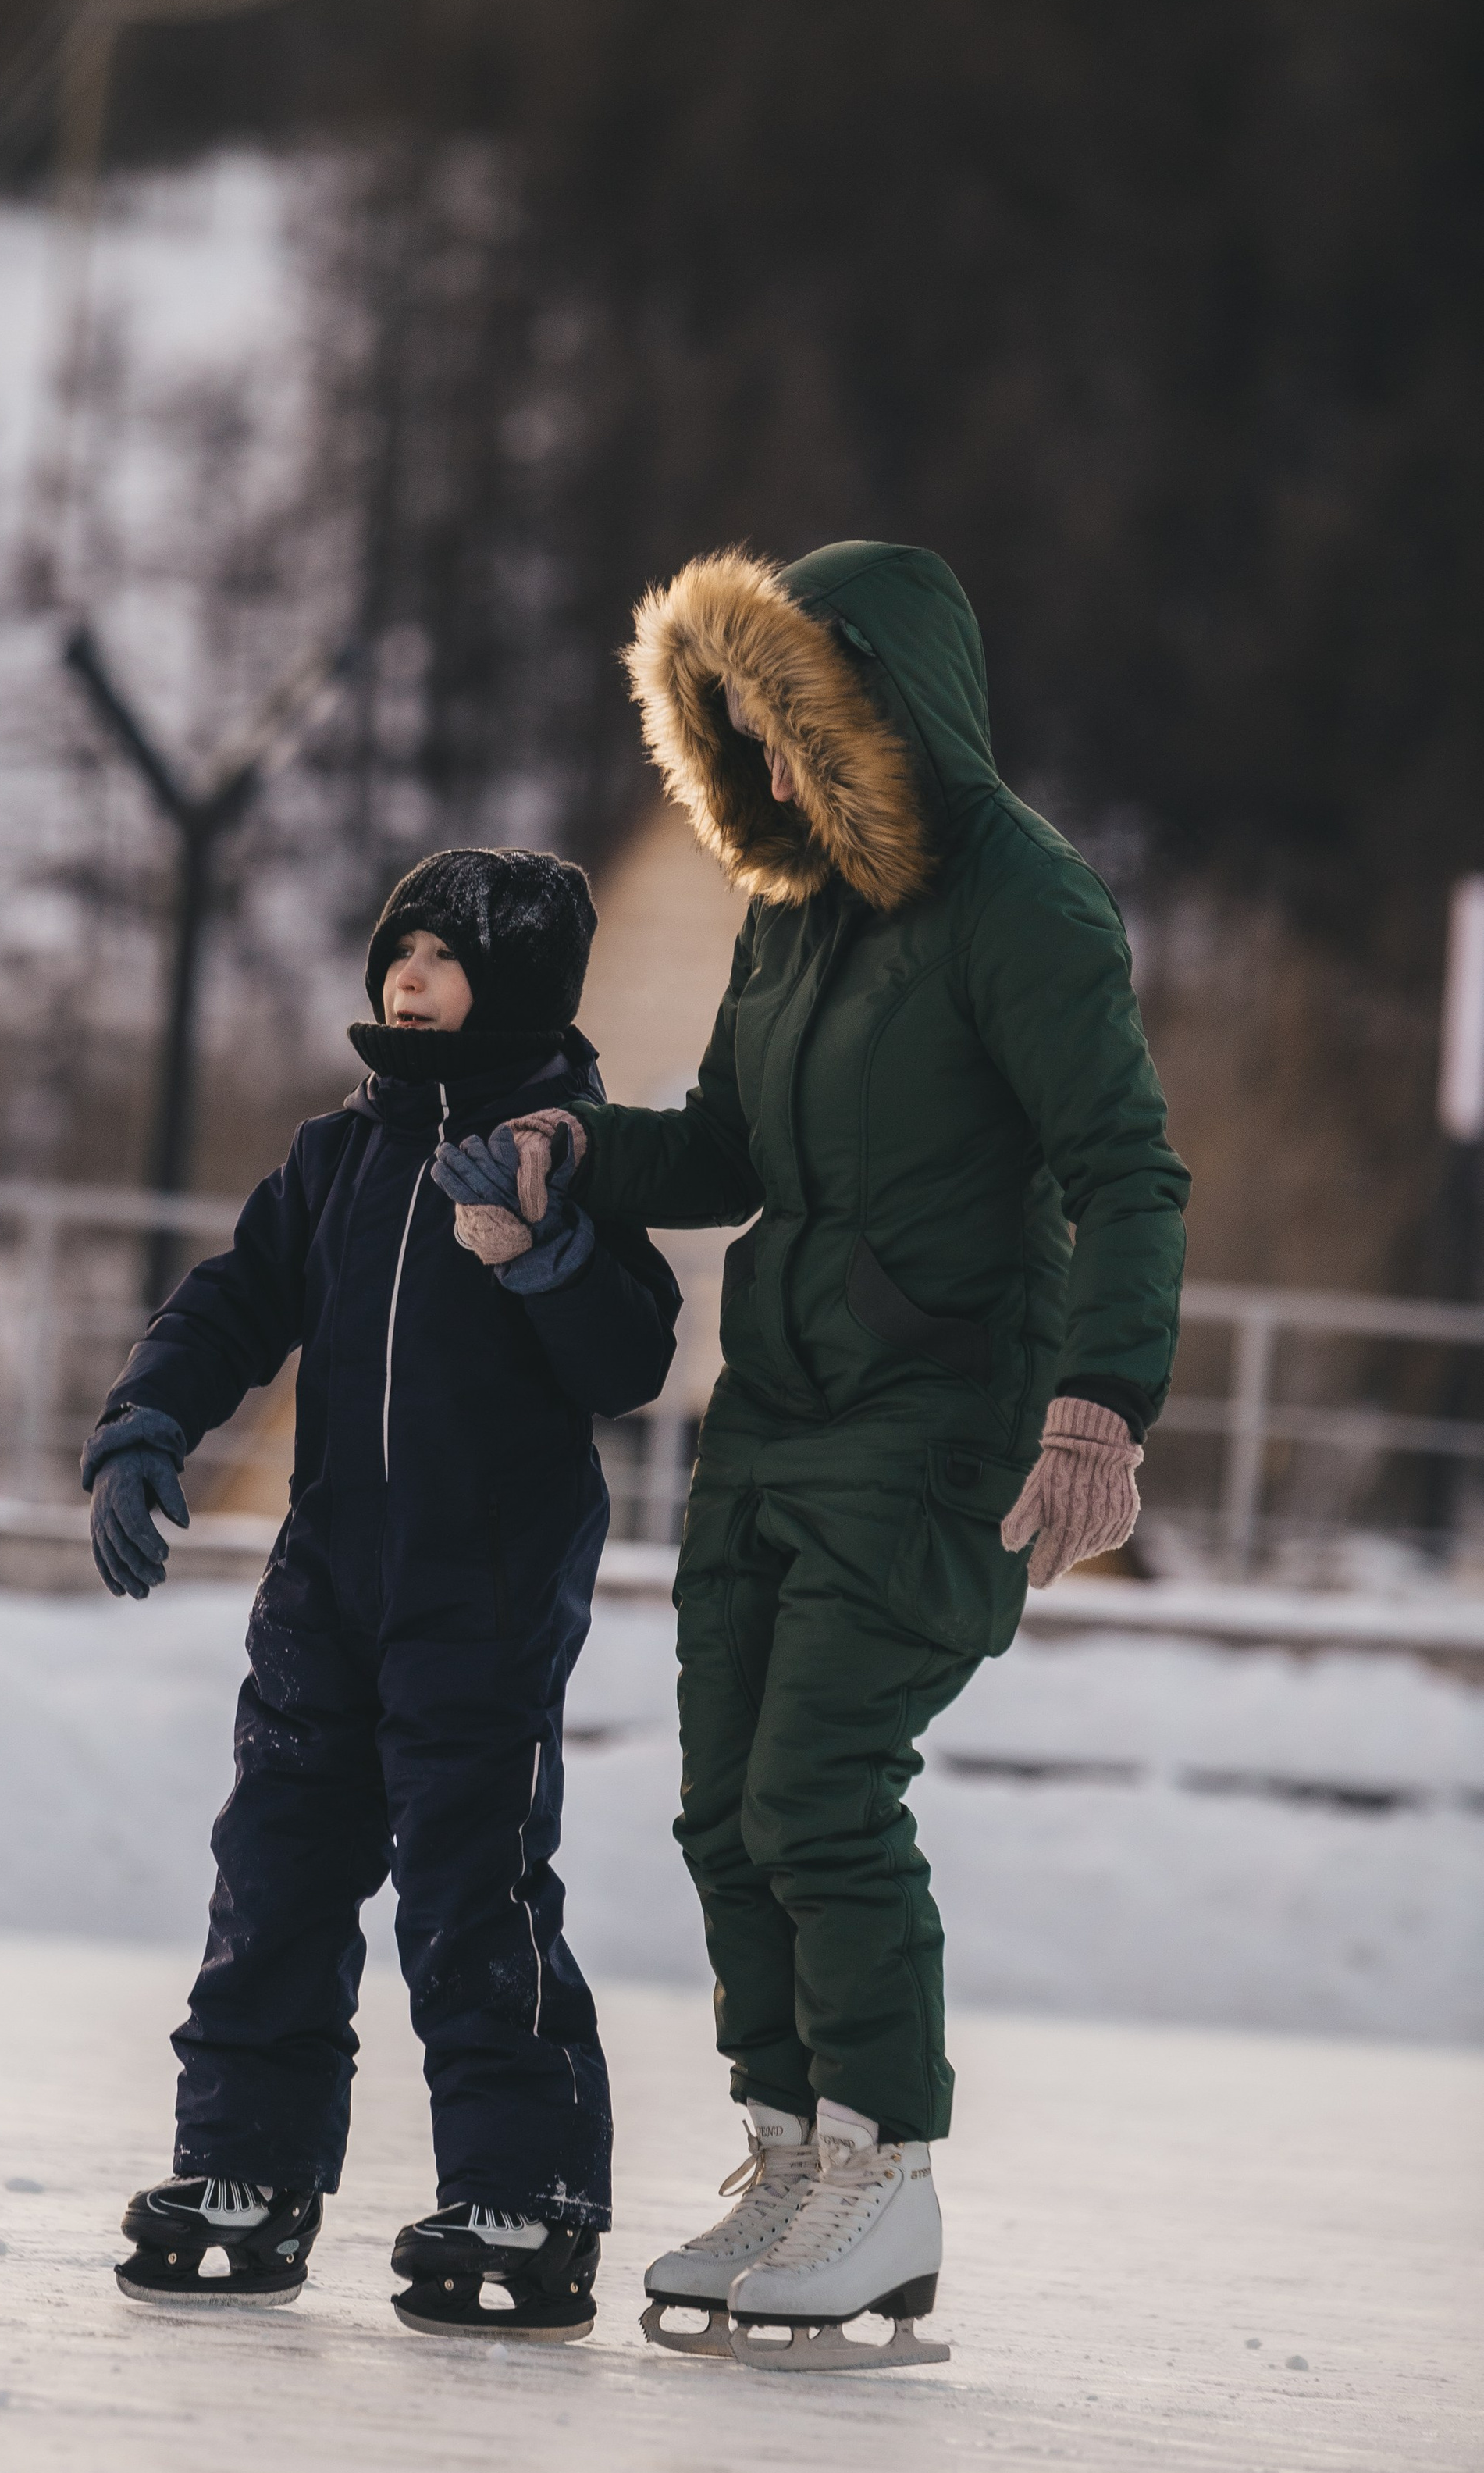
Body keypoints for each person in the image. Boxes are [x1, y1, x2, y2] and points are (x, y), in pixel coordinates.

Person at [445, 543, 1189, 2371]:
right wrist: (573, 1151)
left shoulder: (1026, 909)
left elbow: (1123, 1172)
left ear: (885, 714)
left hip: (938, 1424)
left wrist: (1095, 1408)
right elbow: (724, 1142)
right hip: (767, 1414)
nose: (765, 770)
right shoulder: (790, 909)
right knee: (721, 1811)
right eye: (743, 733)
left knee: (820, 1792)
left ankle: (883, 2170)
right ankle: (788, 2156)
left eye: (794, 727)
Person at [82, 849, 680, 2340]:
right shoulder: (340, 1155)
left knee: (473, 1892)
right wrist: (148, 1422)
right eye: (395, 953)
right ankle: (245, 2169)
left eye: (441, 956)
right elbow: (234, 1298)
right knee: (275, 1868)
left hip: (481, 1595)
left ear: (521, 985)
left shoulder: (563, 1153)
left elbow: (632, 1357)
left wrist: (543, 1255)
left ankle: (524, 2191)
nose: (405, 979)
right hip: (326, 1583)